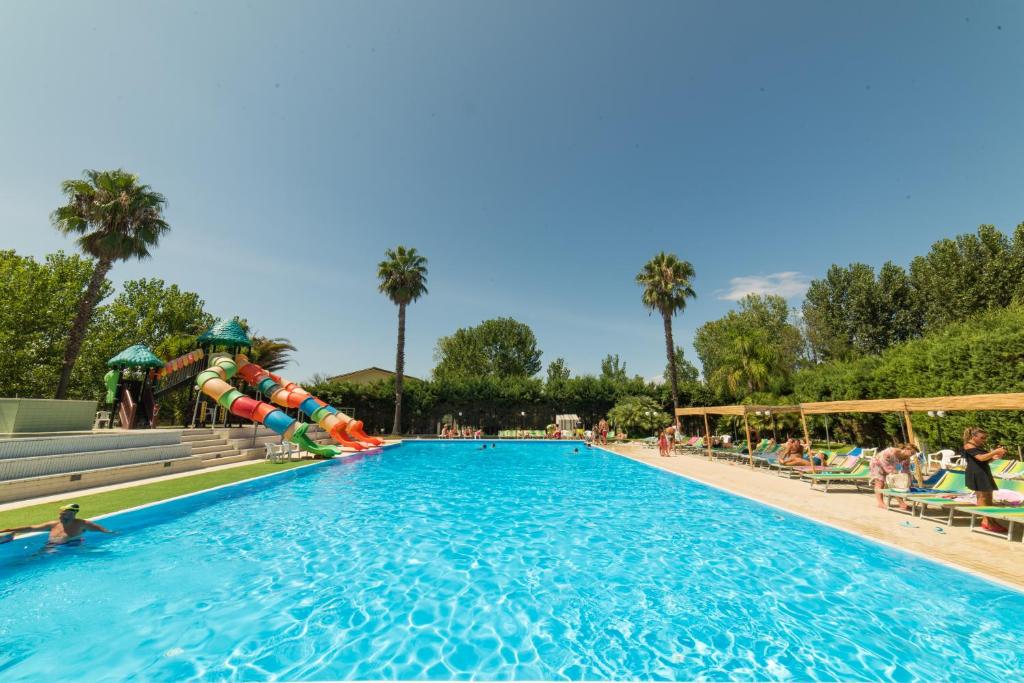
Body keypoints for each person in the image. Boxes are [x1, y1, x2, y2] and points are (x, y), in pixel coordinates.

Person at [961, 427, 1008, 533]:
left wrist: (993, 457)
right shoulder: (968, 445)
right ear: (974, 436)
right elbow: (981, 458)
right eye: (982, 437)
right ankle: (986, 521)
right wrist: (994, 451)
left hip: (983, 472)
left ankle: (991, 520)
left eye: (985, 437)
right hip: (976, 473)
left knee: (989, 497)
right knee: (982, 497)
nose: (984, 439)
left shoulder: (978, 446)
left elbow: (984, 460)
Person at [0, 503, 113, 546]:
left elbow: (101, 529)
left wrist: (111, 533)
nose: (62, 517)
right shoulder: (53, 524)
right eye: (62, 514)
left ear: (74, 514)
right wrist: (9, 529)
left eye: (66, 515)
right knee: (34, 559)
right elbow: (31, 528)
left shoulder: (81, 524)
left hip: (73, 548)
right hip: (51, 546)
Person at [868, 443, 917, 510]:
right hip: (877, 463)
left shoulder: (906, 458)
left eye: (913, 454)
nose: (911, 455)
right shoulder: (890, 452)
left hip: (889, 467)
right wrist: (893, 472)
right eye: (911, 453)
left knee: (896, 485)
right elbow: (884, 462)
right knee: (880, 483)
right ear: (906, 449)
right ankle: (880, 503)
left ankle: (902, 504)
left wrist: (908, 481)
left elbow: (906, 470)